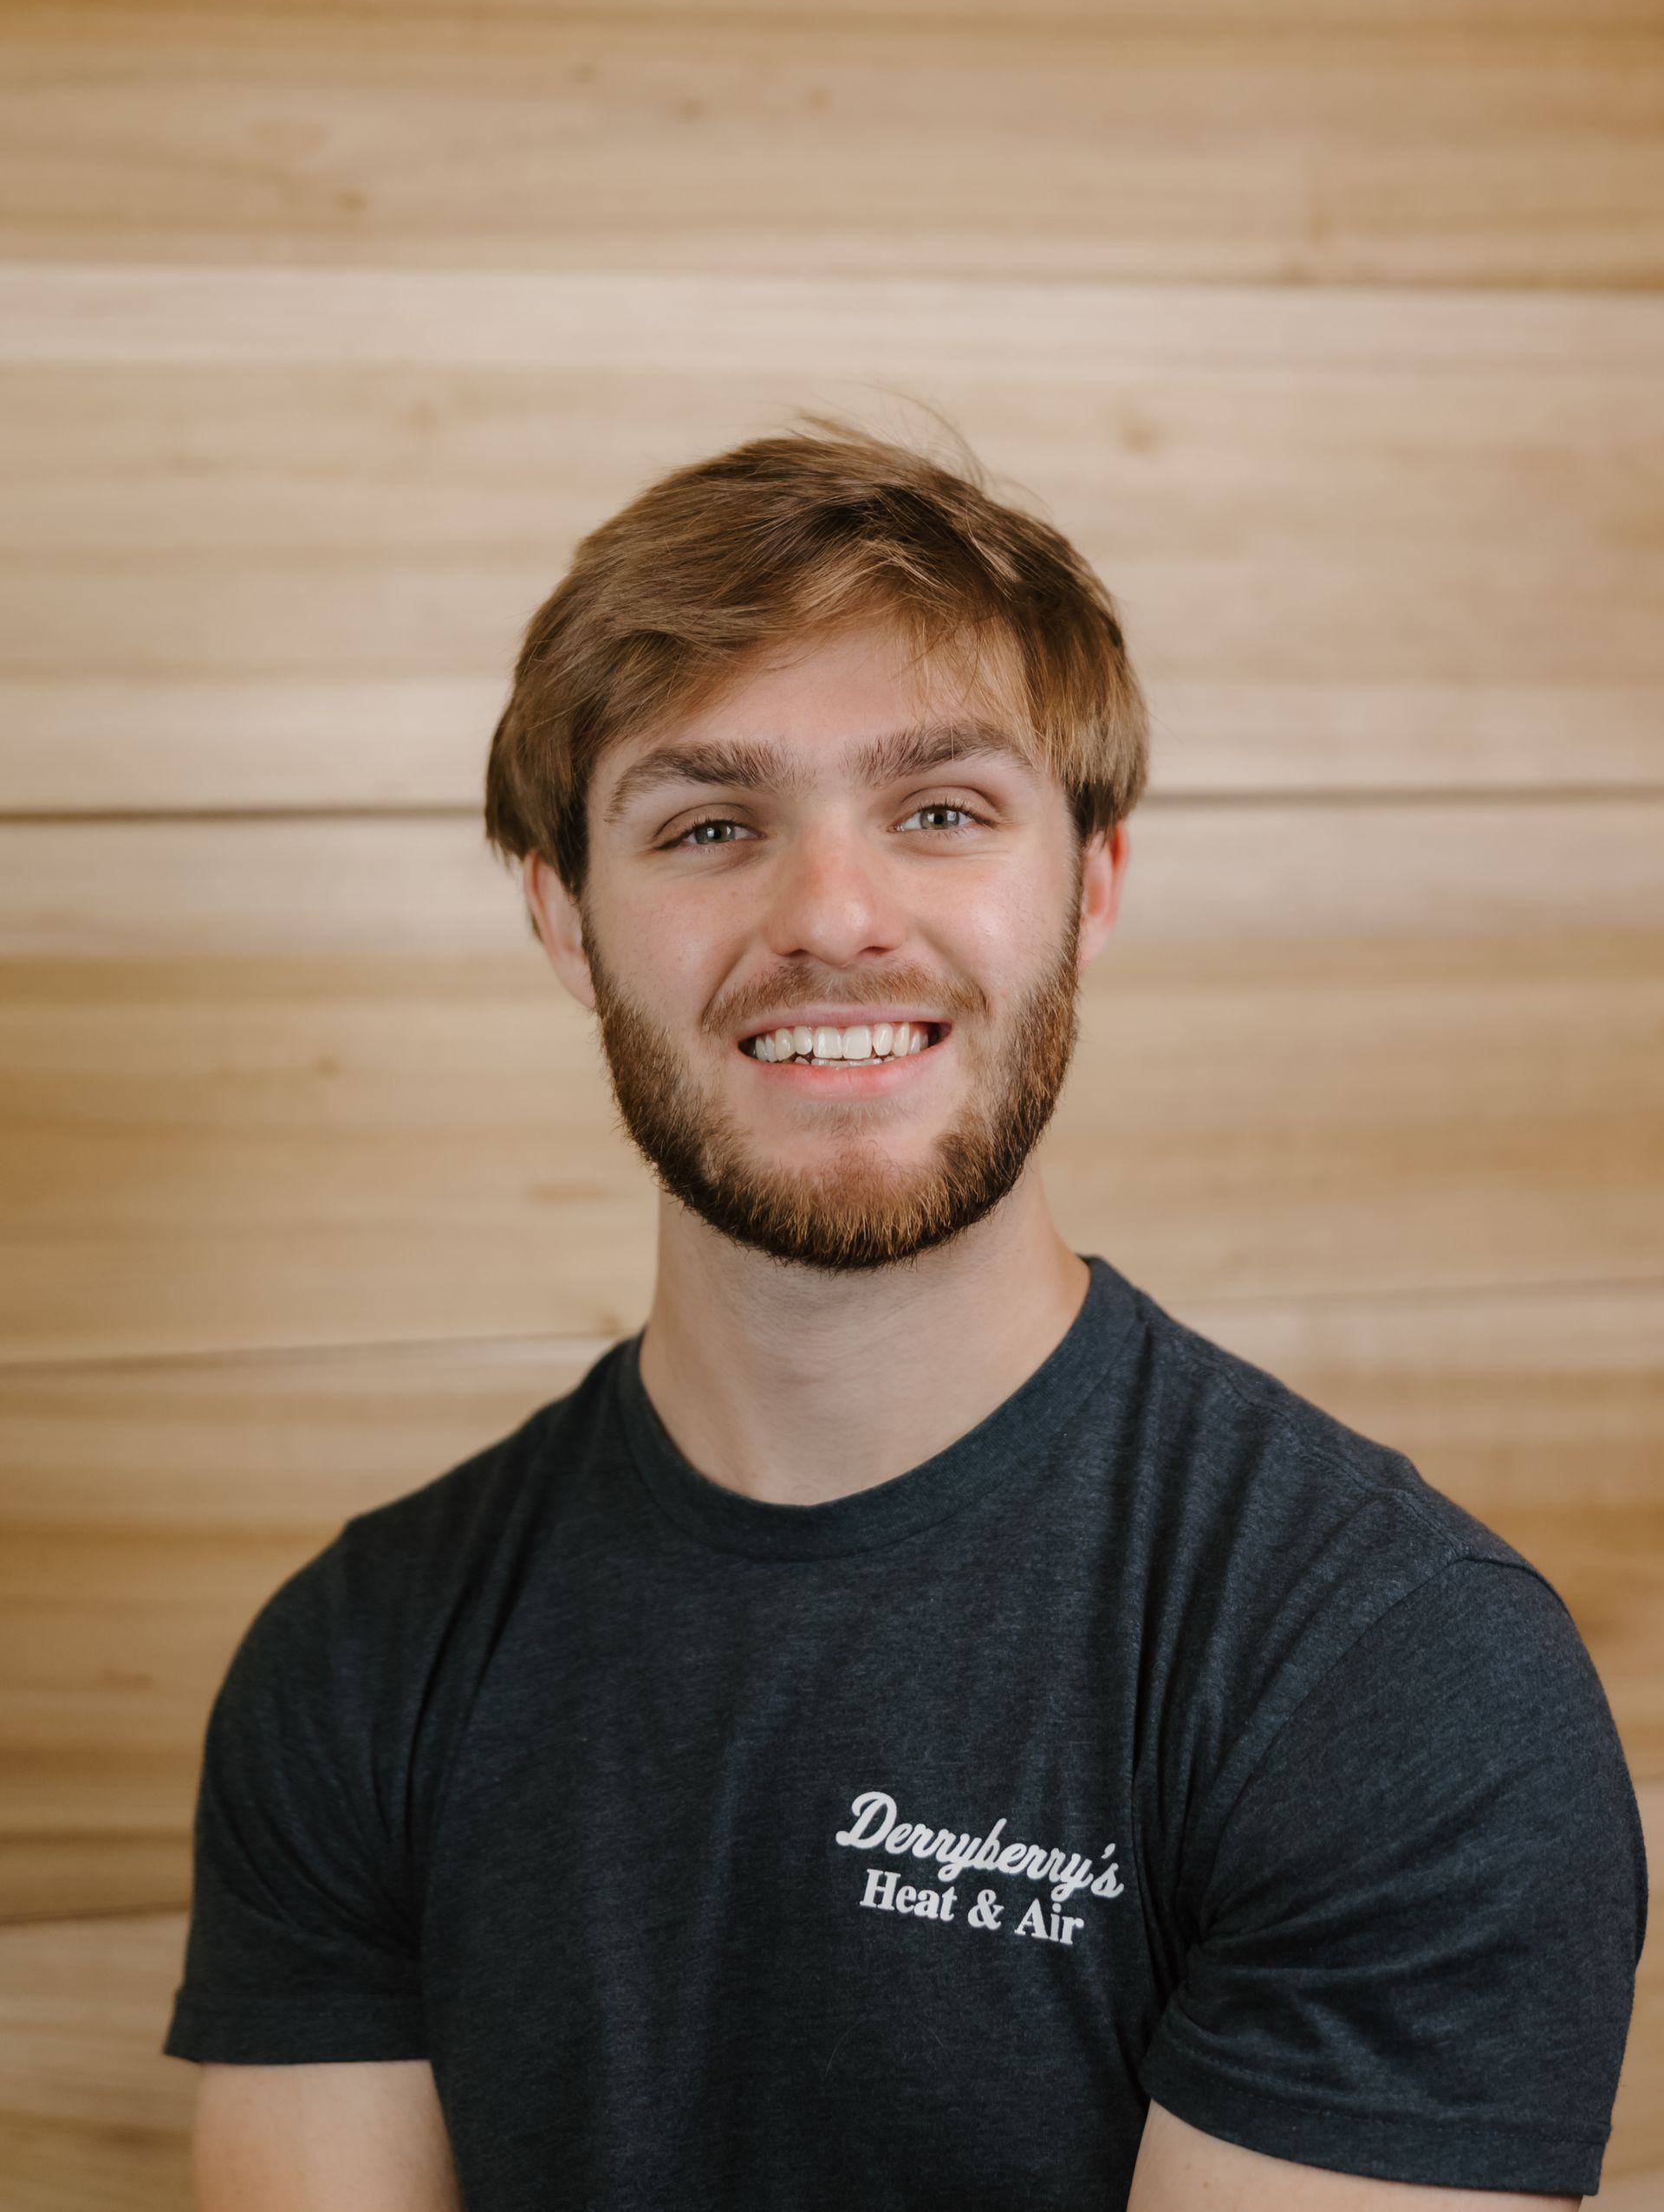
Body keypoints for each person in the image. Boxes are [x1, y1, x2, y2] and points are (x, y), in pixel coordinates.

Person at [164, 420, 1646, 2211]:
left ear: (1089, 886)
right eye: (712, 825)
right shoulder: (353, 1664)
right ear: (566, 921)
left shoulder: (1388, 1673)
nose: (836, 917)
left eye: (940, 813)